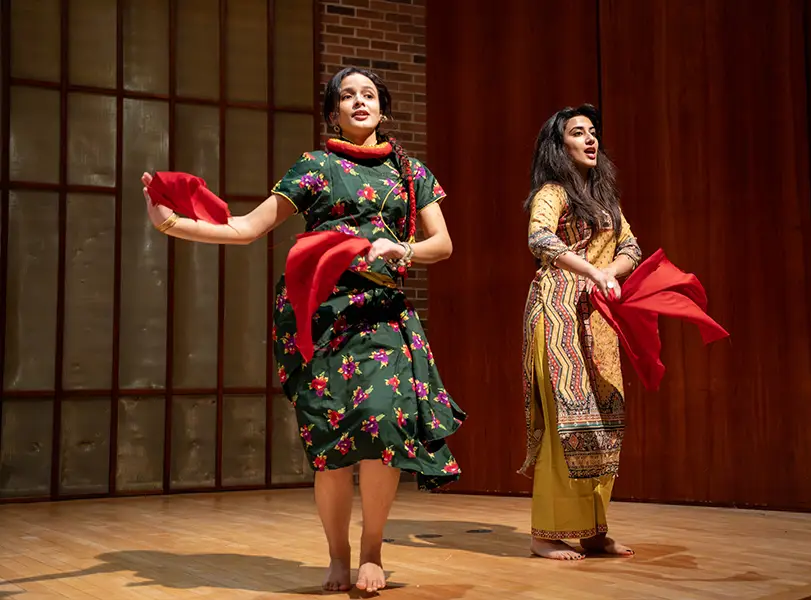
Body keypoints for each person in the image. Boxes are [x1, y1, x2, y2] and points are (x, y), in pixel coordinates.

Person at [142, 67, 466, 592]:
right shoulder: (315, 166)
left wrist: (400, 248)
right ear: (332, 112)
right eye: (346, 96)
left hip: (383, 316)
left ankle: (372, 551)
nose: (359, 102)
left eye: (368, 95)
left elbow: (443, 245)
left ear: (382, 108)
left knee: (386, 426)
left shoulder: (413, 174)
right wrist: (173, 224)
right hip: (322, 319)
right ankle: (337, 555)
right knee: (332, 443)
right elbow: (247, 228)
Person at [520, 105, 639, 561]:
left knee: (605, 420)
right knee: (568, 421)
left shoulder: (605, 198)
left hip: (599, 314)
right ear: (559, 144)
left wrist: (608, 272)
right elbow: (541, 240)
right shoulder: (552, 192)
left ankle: (593, 529)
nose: (590, 139)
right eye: (577, 133)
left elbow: (632, 245)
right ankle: (545, 534)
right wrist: (591, 270)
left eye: (593, 133)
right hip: (558, 312)